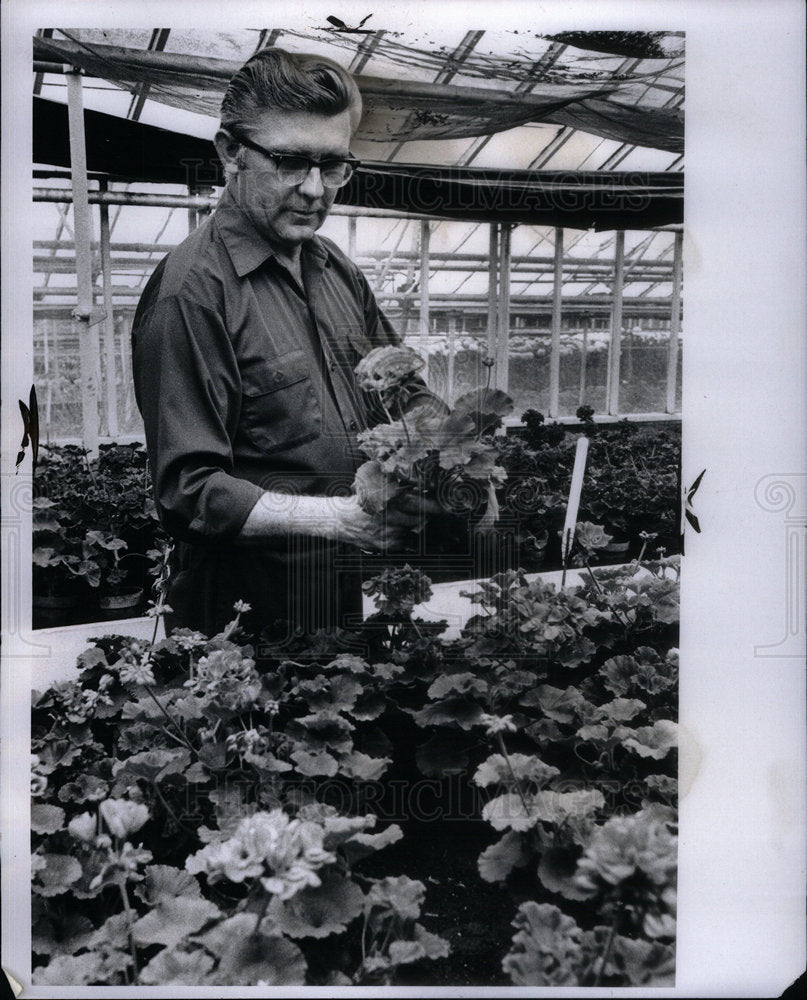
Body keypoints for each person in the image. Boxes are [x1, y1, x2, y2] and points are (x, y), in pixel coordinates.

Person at [132, 48, 432, 639]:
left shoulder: (335, 270)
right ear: (230, 152)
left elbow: (402, 390)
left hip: (337, 588)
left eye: (334, 164)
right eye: (291, 162)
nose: (315, 189)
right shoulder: (192, 293)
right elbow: (189, 492)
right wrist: (343, 519)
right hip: (241, 617)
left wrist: (449, 454)